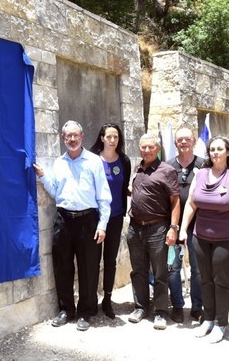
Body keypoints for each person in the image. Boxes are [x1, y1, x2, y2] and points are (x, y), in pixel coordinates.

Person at [33, 120, 111, 332]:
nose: (73, 139)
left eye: (76, 135)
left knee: (89, 268)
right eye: (69, 136)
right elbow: (56, 192)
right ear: (63, 138)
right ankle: (66, 309)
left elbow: (104, 196)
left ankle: (86, 311)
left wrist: (102, 225)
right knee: (62, 266)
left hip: (88, 221)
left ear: (82, 136)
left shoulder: (94, 161)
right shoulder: (59, 163)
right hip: (64, 220)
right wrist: (43, 177)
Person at [179, 136, 229, 343]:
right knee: (204, 279)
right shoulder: (200, 174)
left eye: (219, 149)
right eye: (212, 149)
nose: (215, 153)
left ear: (228, 152)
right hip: (200, 237)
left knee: (221, 281)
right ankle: (208, 319)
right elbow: (191, 204)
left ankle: (221, 323)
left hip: (226, 239)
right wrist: (183, 230)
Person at [126, 133, 180, 330]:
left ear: (158, 149)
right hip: (135, 228)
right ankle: (141, 307)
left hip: (158, 228)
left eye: (151, 147)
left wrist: (173, 228)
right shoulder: (137, 168)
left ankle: (161, 312)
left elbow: (175, 201)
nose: (147, 150)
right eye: (143, 147)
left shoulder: (167, 170)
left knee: (159, 272)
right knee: (138, 270)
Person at [90, 123, 131, 319]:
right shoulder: (92, 159)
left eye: (116, 137)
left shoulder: (124, 160)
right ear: (102, 138)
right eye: (109, 137)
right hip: (94, 218)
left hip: (115, 217)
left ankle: (107, 299)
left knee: (110, 260)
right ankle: (90, 299)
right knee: (92, 259)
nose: (112, 140)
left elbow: (125, 186)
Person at [166, 125, 204, 323]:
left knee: (198, 269)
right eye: (179, 140)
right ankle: (177, 306)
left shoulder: (204, 165)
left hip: (198, 226)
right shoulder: (168, 166)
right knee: (173, 267)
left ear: (194, 141)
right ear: (175, 143)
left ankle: (197, 307)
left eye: (187, 139)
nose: (183, 142)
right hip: (173, 225)